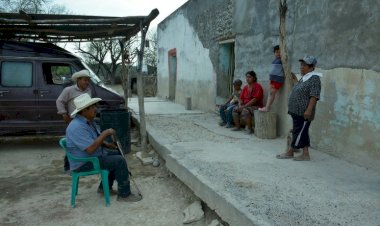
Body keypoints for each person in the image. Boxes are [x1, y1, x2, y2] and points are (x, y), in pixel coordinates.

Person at [66, 93, 142, 202]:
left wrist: (108, 145)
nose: (95, 109)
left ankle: (103, 187)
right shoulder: (77, 127)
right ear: (84, 111)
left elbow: (94, 139)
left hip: (93, 156)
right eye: (92, 107)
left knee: (117, 154)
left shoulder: (88, 122)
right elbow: (90, 149)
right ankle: (124, 194)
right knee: (119, 161)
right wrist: (105, 134)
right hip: (84, 162)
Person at [276, 56, 322, 161]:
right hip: (297, 111)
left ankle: (291, 152)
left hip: (303, 112)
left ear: (311, 67)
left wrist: (309, 110)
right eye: (301, 65)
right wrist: (295, 80)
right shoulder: (305, 77)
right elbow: (300, 89)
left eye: (304, 65)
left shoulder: (314, 78)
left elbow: (314, 96)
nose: (301, 67)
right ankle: (304, 153)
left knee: (299, 131)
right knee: (301, 131)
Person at [56, 69, 92, 173]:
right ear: (78, 80)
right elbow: (59, 101)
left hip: (84, 119)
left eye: (88, 80)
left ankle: (82, 163)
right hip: (73, 120)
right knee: (71, 143)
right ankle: (68, 166)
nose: (87, 82)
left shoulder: (88, 90)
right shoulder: (69, 90)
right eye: (85, 80)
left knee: (82, 141)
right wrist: (63, 113)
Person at [259, 45, 284, 112]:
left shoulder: (282, 60)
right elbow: (272, 71)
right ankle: (267, 107)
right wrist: (270, 80)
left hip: (277, 80)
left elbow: (277, 71)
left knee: (272, 93)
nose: (278, 54)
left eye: (280, 52)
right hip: (273, 80)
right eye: (276, 52)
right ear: (274, 53)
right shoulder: (275, 60)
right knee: (270, 93)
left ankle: (267, 108)